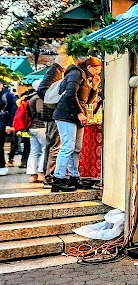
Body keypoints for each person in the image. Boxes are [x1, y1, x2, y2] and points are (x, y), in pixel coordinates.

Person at [52, 57, 102, 192]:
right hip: (66, 115)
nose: (98, 72)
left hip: (77, 117)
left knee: (76, 148)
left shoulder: (85, 77)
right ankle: (58, 179)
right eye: (97, 69)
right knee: (68, 146)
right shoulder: (76, 73)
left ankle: (74, 176)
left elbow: (87, 101)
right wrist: (79, 113)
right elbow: (69, 94)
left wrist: (95, 86)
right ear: (90, 66)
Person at [38, 57, 68, 184]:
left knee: (51, 146)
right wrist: (57, 99)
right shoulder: (55, 72)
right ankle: (49, 175)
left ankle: (46, 174)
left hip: (50, 115)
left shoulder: (54, 71)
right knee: (55, 146)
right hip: (53, 115)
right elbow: (42, 89)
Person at [25, 82, 46, 183]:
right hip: (41, 126)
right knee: (45, 149)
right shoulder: (39, 97)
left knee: (34, 152)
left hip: (32, 127)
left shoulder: (31, 97)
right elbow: (40, 111)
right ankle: (41, 172)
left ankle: (32, 174)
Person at [0, 80, 17, 176]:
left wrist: (10, 124)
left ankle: (1, 165)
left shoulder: (8, 96)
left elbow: (13, 111)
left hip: (3, 124)